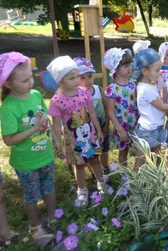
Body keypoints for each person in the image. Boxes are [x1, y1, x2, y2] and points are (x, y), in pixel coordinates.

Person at [0, 52, 58, 246]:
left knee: (49, 189)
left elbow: (46, 121)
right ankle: (36, 226)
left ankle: (52, 217)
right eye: (24, 80)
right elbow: (9, 140)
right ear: (8, 84)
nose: (31, 83)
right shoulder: (8, 107)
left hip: (45, 155)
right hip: (26, 163)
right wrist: (33, 128)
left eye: (31, 77)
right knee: (32, 195)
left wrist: (57, 141)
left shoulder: (35, 95)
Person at [48, 56, 105, 207]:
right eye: (71, 78)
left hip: (90, 134)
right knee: (79, 165)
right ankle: (82, 190)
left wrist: (99, 130)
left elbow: (92, 112)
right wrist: (58, 145)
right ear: (60, 81)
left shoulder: (84, 92)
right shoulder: (56, 101)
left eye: (77, 76)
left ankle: (101, 182)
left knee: (94, 159)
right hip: (73, 139)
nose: (76, 80)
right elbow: (55, 126)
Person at [103, 48, 142, 169]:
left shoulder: (133, 83)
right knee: (123, 151)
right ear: (115, 68)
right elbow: (110, 111)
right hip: (122, 126)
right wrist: (119, 129)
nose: (129, 68)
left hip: (136, 123)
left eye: (130, 65)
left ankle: (137, 173)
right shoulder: (112, 89)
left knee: (139, 150)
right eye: (125, 66)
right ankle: (125, 176)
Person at [74, 57, 110, 173]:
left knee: (105, 149)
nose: (87, 80)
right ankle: (94, 171)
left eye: (90, 76)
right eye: (82, 77)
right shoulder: (75, 95)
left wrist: (106, 126)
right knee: (91, 153)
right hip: (87, 132)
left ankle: (105, 167)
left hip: (101, 126)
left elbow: (106, 107)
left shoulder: (98, 90)